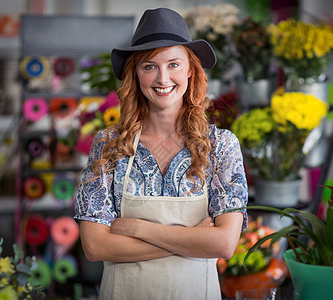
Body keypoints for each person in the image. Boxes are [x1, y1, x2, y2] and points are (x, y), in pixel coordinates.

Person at [74, 7, 248, 300]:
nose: (162, 77)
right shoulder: (109, 146)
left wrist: (136, 228)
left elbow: (224, 244)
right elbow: (95, 248)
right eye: (149, 66)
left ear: (191, 70)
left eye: (174, 64)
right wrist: (194, 238)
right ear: (136, 73)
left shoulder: (220, 147)